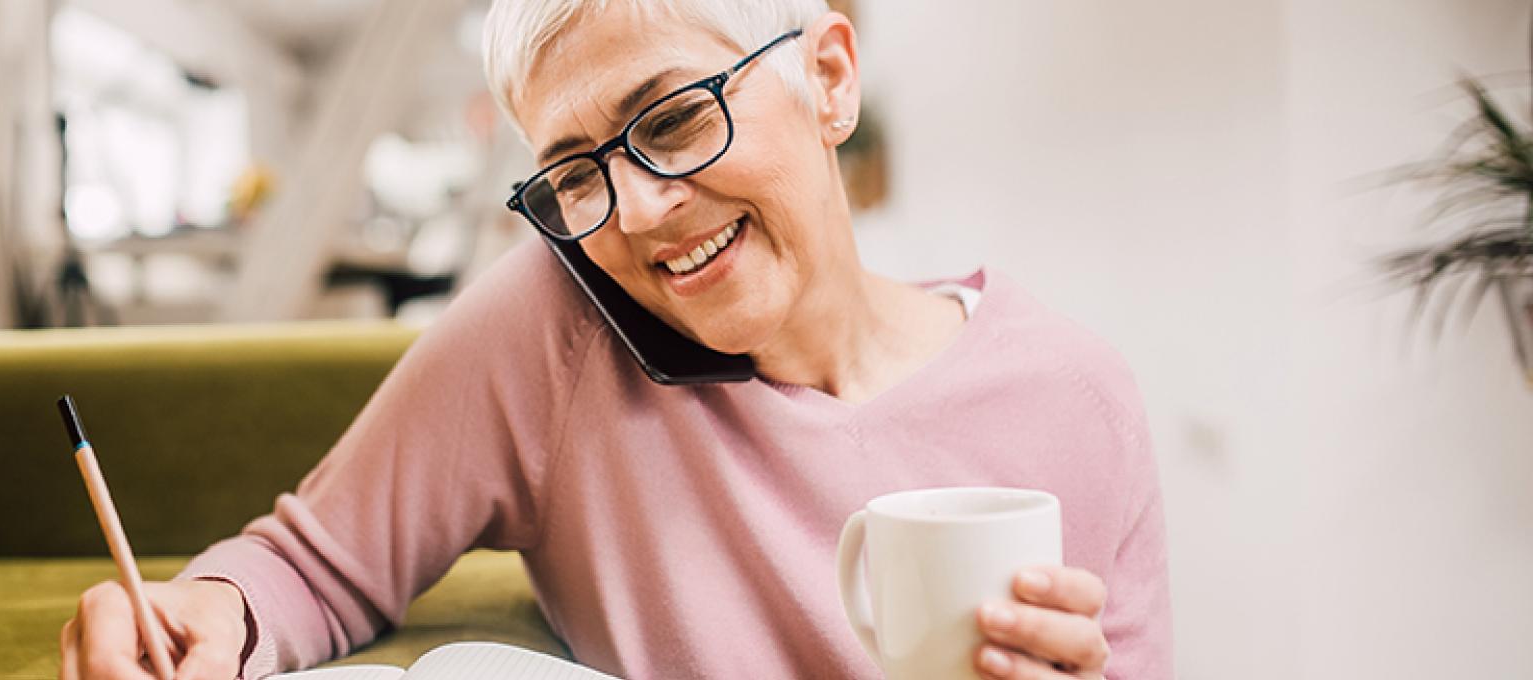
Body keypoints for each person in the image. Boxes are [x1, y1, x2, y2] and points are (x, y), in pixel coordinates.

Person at [59, 1, 1173, 678]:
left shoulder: (1076, 400)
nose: (634, 213)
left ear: (828, 79)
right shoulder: (555, 324)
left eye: (679, 117)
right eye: (574, 172)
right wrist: (209, 612)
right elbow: (317, 560)